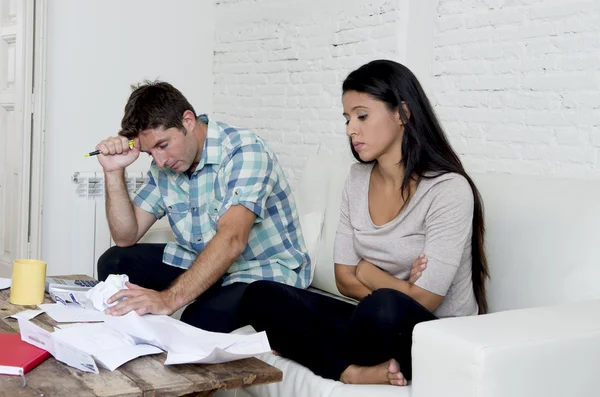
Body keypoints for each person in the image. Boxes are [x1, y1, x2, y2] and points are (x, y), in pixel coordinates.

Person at [238, 60, 489, 386]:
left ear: (402, 113)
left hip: (433, 334)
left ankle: (312, 347)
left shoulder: (447, 190)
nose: (350, 130)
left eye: (362, 116)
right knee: (260, 295)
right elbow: (344, 279)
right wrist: (399, 285)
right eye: (347, 119)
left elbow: (425, 300)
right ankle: (349, 371)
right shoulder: (357, 179)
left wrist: (369, 273)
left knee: (383, 308)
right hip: (368, 321)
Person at [95, 80, 310, 333]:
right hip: (204, 260)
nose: (160, 161)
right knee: (114, 262)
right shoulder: (166, 167)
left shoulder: (244, 151)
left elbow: (232, 240)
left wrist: (168, 299)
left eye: (163, 146)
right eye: (150, 153)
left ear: (188, 121)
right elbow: (125, 236)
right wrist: (113, 171)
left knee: (197, 323)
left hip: (259, 272)